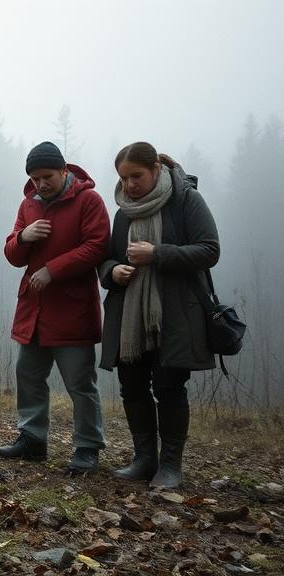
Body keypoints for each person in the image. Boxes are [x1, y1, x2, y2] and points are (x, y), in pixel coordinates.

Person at [99, 143, 219, 489]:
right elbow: (107, 258)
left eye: (136, 176)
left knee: (169, 387)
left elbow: (209, 250)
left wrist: (158, 254)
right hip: (129, 316)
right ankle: (144, 460)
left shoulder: (185, 200)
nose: (130, 184)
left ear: (155, 168)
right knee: (132, 386)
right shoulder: (124, 210)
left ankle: (170, 466)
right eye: (123, 177)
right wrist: (112, 272)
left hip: (176, 313)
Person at [0, 142, 111, 474]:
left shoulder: (89, 200)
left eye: (47, 176)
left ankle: (87, 446)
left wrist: (53, 269)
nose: (41, 183)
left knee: (80, 382)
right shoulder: (28, 205)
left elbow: (98, 245)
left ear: (64, 171)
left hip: (73, 311)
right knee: (28, 375)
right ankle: (32, 440)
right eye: (34, 177)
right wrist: (24, 237)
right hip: (33, 310)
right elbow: (13, 254)